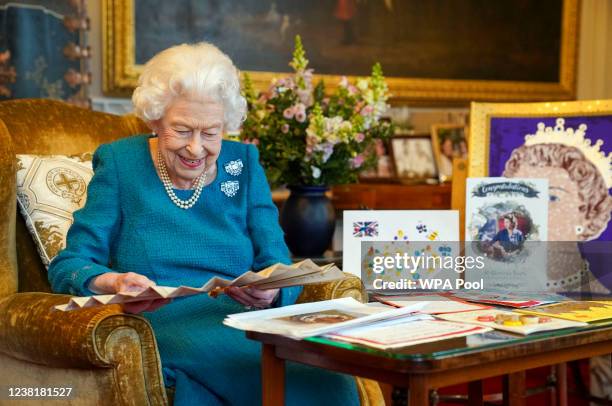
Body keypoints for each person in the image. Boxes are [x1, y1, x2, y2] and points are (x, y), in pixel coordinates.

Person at [48, 43, 358, 406]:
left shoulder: (243, 164)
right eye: (181, 130)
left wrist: (271, 291)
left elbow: (278, 261)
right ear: (155, 119)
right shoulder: (120, 163)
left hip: (247, 323)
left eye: (210, 133)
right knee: (273, 376)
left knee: (329, 376)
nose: (196, 149)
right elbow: (68, 265)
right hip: (166, 325)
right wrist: (114, 282)